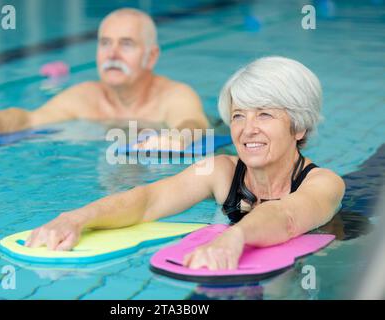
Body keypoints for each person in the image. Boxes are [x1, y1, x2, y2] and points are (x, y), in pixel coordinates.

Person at [25, 56, 345, 271]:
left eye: (264, 114)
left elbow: (286, 215)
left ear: (300, 126)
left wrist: (233, 237)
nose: (247, 129)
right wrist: (76, 218)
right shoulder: (221, 172)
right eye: (238, 116)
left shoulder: (324, 183)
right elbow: (147, 201)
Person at [0, 8, 209, 150]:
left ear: (151, 57)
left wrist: (177, 136)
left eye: (126, 44)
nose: (112, 54)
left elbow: (193, 123)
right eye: (105, 43)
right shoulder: (84, 97)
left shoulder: (174, 95)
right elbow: (28, 119)